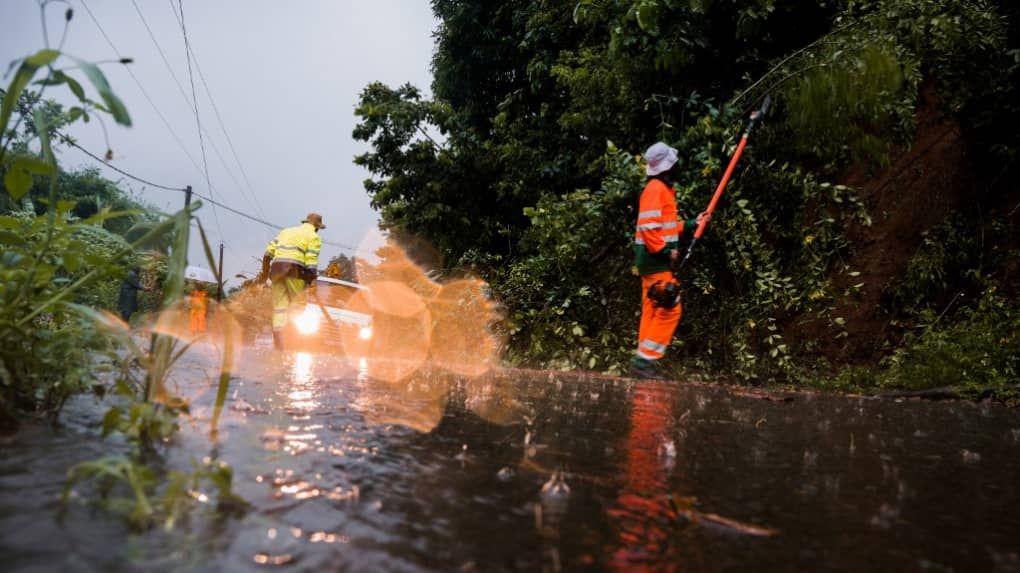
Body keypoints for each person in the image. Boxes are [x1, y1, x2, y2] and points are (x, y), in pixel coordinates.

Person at [631, 142, 707, 380]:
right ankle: (644, 362)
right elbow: (648, 228)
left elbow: (667, 227)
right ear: (667, 167)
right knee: (670, 307)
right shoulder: (655, 189)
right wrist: (666, 252)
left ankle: (642, 362)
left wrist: (694, 224)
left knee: (653, 310)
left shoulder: (661, 190)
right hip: (656, 262)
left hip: (652, 262)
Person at [259, 213, 325, 350]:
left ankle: (279, 342)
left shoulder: (285, 232)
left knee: (279, 308)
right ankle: (290, 337)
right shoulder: (314, 237)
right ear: (317, 227)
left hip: (276, 271)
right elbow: (311, 262)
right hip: (295, 272)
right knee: (298, 305)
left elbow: (267, 255)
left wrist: (264, 275)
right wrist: (313, 283)